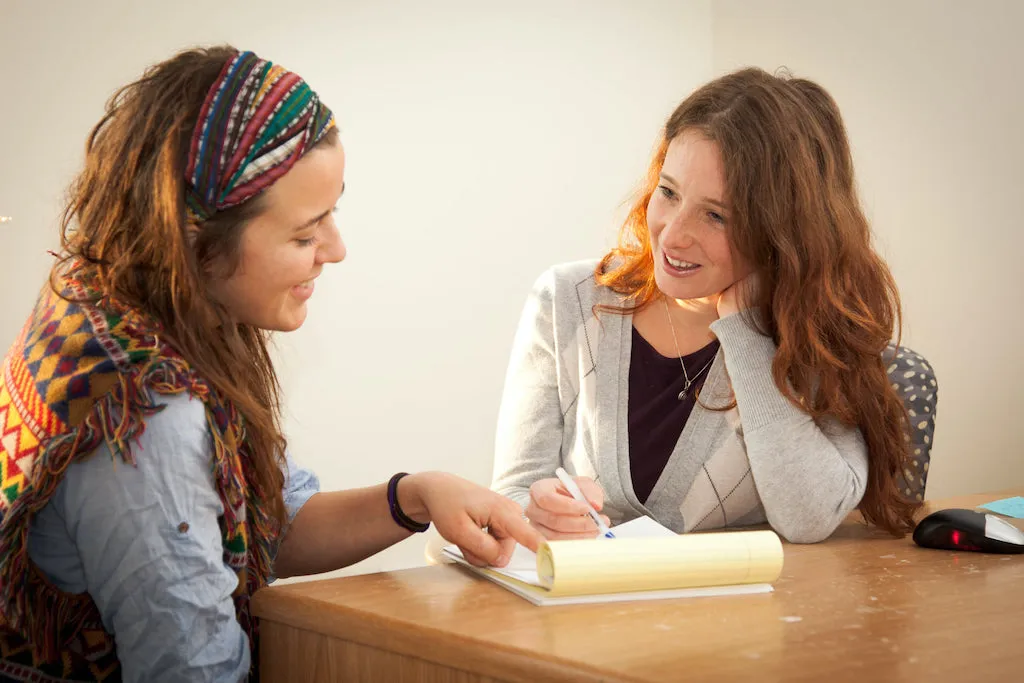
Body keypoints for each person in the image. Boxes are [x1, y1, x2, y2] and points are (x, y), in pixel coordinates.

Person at [0, 46, 541, 683]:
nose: (335, 249)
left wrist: (414, 497)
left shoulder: (106, 299)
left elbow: (262, 523)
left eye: (333, 213)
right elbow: (194, 669)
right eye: (305, 233)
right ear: (197, 242)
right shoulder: (146, 418)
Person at [492, 67, 920, 545]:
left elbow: (810, 517)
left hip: (753, 597)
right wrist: (537, 511)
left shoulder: (816, 335)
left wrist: (745, 332)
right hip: (587, 593)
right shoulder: (566, 301)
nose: (673, 235)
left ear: (786, 232)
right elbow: (513, 493)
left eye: (716, 215)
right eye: (669, 192)